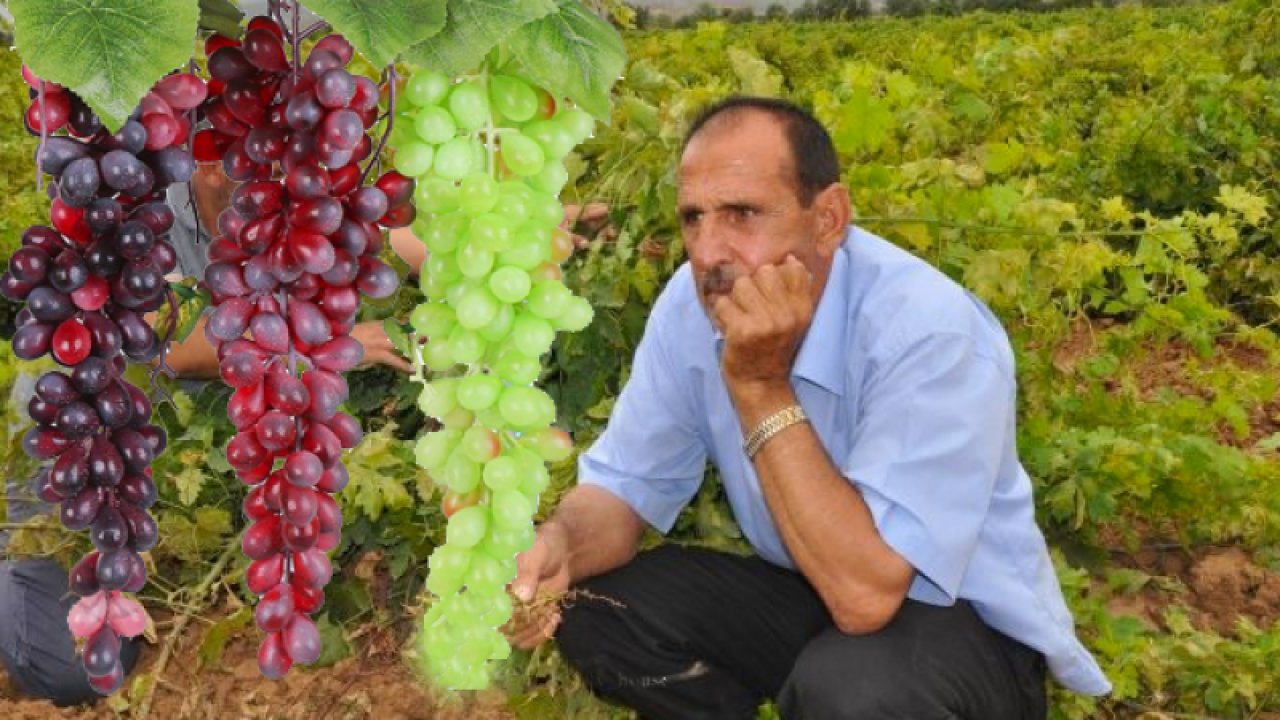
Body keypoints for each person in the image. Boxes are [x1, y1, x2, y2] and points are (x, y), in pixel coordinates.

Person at [503, 96, 1112, 719]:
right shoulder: (691, 309)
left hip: (962, 631)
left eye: (742, 214)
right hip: (815, 589)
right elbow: (624, 489)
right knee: (599, 612)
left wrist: (761, 386)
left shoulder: (929, 332)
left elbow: (868, 595)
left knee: (850, 689)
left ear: (828, 219)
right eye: (693, 218)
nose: (709, 251)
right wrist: (560, 548)